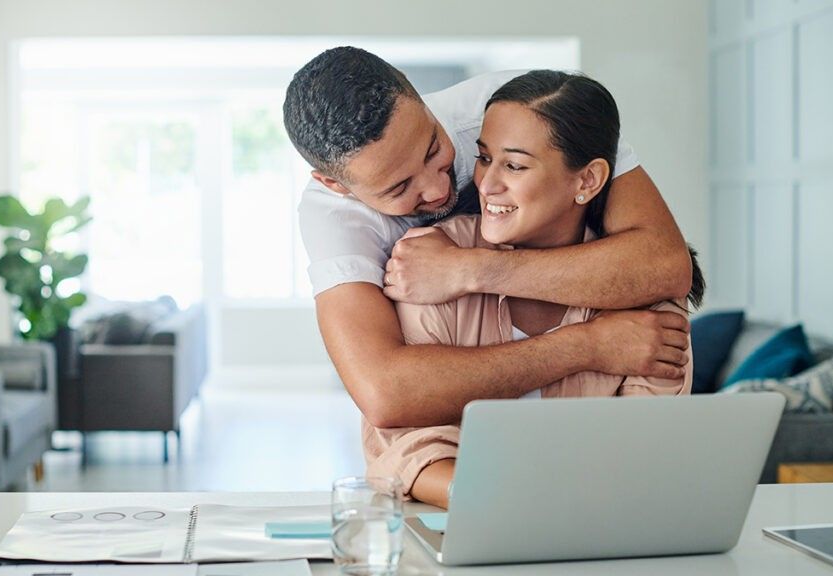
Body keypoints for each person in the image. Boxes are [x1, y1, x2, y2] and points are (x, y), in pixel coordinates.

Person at [282, 47, 693, 432]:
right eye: (399, 188)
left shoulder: (517, 109)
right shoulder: (333, 219)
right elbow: (387, 393)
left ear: (417, 95)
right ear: (334, 185)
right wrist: (585, 347)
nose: (436, 189)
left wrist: (469, 269)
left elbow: (665, 265)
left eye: (432, 150)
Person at [362, 70, 703, 509]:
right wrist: (516, 502)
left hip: (598, 534)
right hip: (467, 524)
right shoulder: (429, 262)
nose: (485, 184)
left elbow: (647, 456)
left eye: (515, 165)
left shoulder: (646, 296)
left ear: (587, 182)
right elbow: (410, 450)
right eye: (484, 158)